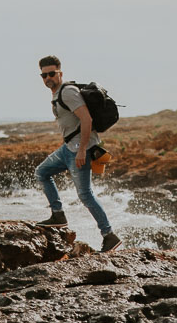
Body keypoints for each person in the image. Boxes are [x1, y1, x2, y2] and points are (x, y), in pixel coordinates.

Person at [34, 55, 121, 252]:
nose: (48, 78)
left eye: (52, 73)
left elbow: (87, 120)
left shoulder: (68, 92)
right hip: (68, 149)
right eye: (44, 75)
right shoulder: (57, 94)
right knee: (42, 172)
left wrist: (82, 150)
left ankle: (109, 235)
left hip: (78, 151)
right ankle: (58, 215)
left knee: (85, 194)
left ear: (60, 73)